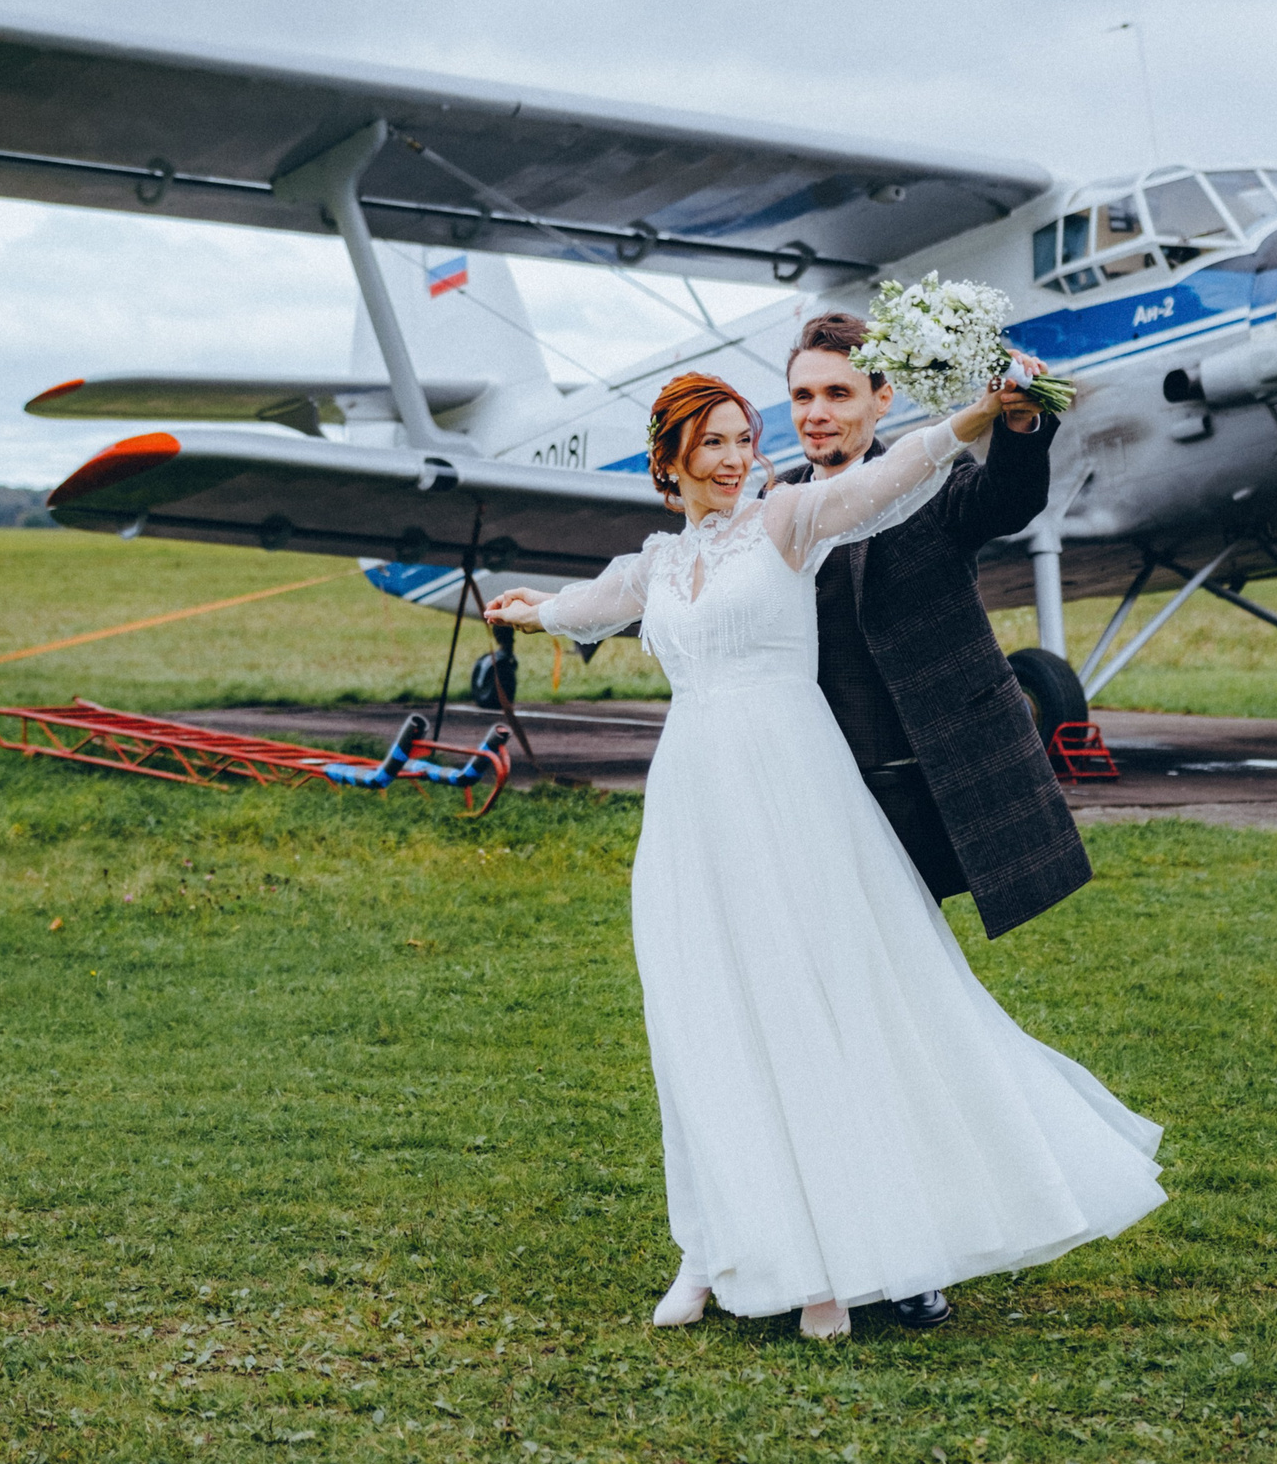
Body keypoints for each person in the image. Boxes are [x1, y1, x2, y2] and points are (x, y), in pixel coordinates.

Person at [486, 372, 1163, 1341]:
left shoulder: (789, 522)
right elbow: (592, 606)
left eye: (740, 440)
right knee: (704, 1019)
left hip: (795, 796)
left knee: (815, 1007)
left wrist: (975, 417)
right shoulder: (657, 565)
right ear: (670, 460)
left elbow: (890, 483)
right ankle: (712, 1248)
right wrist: (535, 610)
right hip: (692, 809)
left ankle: (832, 1262)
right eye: (712, 444)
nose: (733, 460)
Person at [777, 312, 1093, 1330]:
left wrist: (1024, 408)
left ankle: (911, 1254)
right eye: (802, 395)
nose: (817, 413)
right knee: (824, 1029)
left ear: (881, 401)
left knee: (895, 1023)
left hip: (923, 797)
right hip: (810, 803)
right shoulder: (769, 509)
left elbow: (1010, 491)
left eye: (837, 393)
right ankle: (831, 1242)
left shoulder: (931, 483)